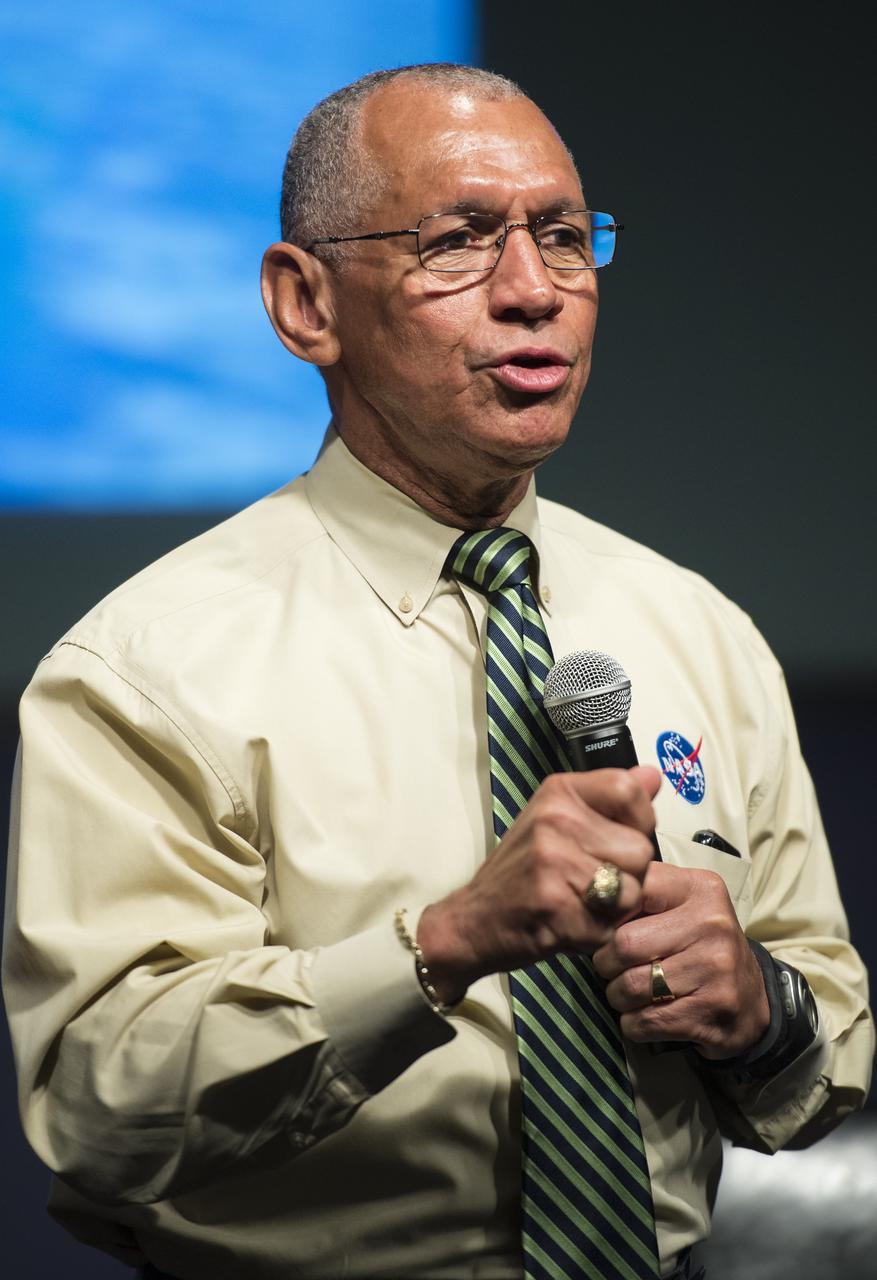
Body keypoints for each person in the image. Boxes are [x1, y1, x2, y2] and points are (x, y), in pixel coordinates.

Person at [3, 63, 872, 1280]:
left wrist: (756, 1006)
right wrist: (443, 943)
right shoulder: (143, 668)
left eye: (564, 239)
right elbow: (101, 1109)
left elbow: (823, 1056)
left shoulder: (701, 630)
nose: (534, 294)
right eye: (458, 241)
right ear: (305, 303)